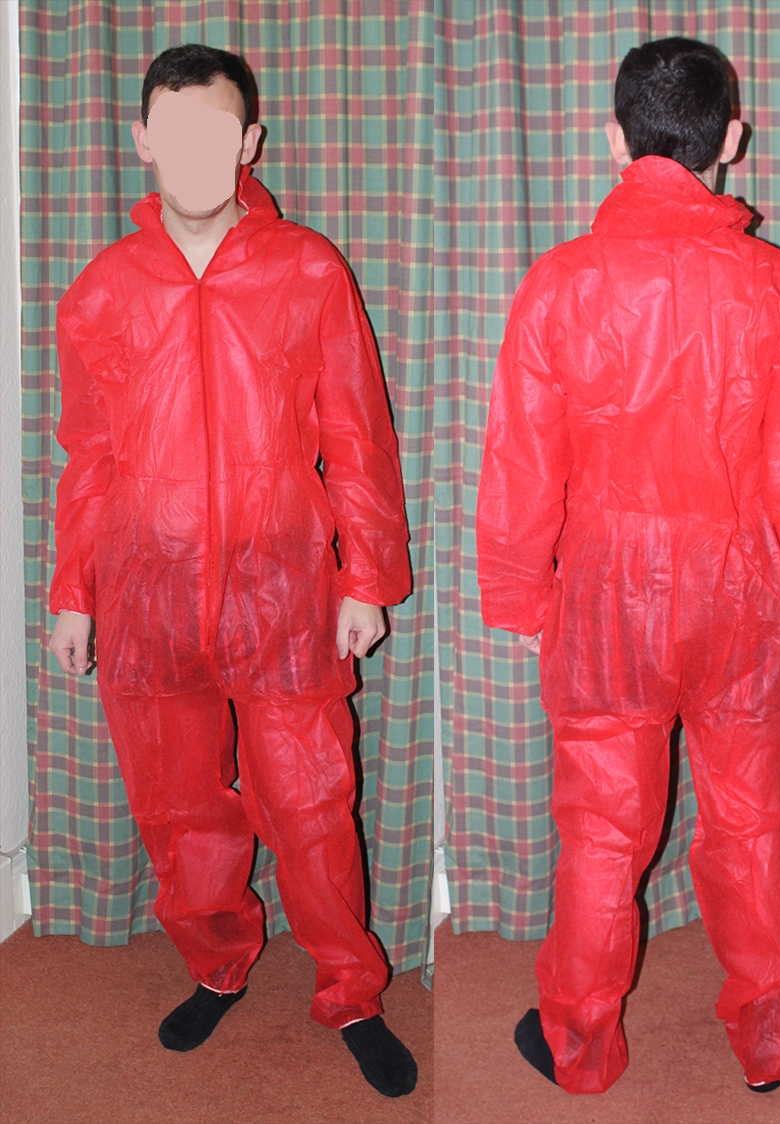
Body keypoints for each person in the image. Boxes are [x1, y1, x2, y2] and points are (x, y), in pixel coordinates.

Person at [476, 37, 780, 1096]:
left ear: (615, 140)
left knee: (603, 832)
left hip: (606, 592)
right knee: (755, 821)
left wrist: (519, 595)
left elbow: (521, 463)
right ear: (730, 138)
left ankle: (580, 1045)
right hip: (747, 592)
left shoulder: (558, 284)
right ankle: (771, 1039)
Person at [48, 44, 417, 1099]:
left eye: (218, 132)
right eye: (177, 133)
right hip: (146, 588)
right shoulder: (104, 291)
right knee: (181, 810)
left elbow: (358, 436)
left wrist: (366, 576)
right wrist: (74, 593)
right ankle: (216, 963)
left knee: (311, 804)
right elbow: (89, 455)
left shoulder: (307, 269)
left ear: (250, 141)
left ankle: (351, 988)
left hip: (283, 587)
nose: (198, 154)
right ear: (143, 142)